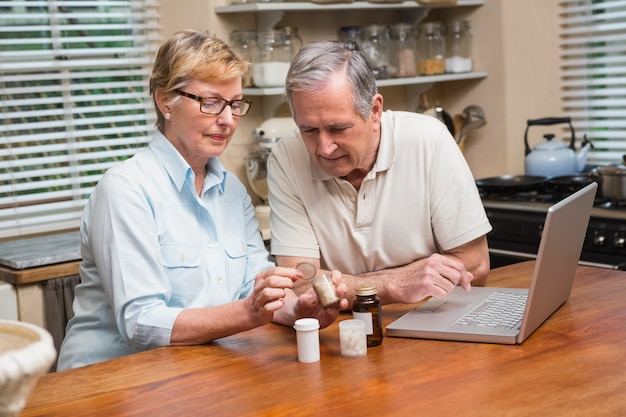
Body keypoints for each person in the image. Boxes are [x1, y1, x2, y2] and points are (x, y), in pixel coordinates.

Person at [57, 30, 347, 370]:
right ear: (165, 101)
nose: (228, 120)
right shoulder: (125, 190)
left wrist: (297, 310)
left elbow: (252, 290)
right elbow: (141, 323)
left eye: (236, 104)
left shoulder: (232, 191)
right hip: (107, 382)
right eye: (211, 103)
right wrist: (247, 313)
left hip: (199, 370)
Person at [267, 40, 492, 308]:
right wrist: (395, 283)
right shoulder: (286, 158)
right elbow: (301, 282)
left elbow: (476, 266)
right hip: (342, 330)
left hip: (429, 316)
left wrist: (348, 285)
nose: (325, 148)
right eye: (309, 130)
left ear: (374, 111)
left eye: (338, 128)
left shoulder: (429, 140)